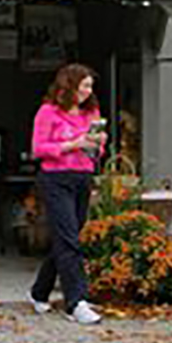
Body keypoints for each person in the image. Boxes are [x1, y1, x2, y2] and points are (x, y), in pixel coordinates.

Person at [28, 62, 107, 325]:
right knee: (69, 239)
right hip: (55, 179)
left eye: (90, 86)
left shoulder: (91, 112)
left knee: (67, 237)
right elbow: (38, 149)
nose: (88, 91)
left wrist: (97, 144)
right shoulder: (48, 112)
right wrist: (73, 144)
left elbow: (96, 153)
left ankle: (39, 292)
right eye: (84, 85)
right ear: (69, 85)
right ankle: (76, 302)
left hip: (82, 177)